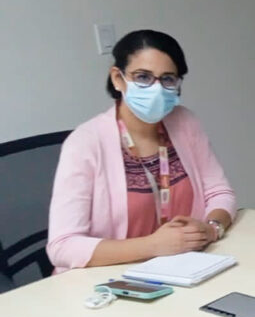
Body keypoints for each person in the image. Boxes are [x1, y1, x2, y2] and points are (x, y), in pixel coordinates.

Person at [47, 30, 236, 272]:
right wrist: (153, 246)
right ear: (118, 78)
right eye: (143, 77)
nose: (156, 88)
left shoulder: (185, 122)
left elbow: (219, 192)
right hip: (107, 280)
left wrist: (211, 228)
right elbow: (62, 246)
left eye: (168, 79)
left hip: (183, 269)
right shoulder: (85, 142)